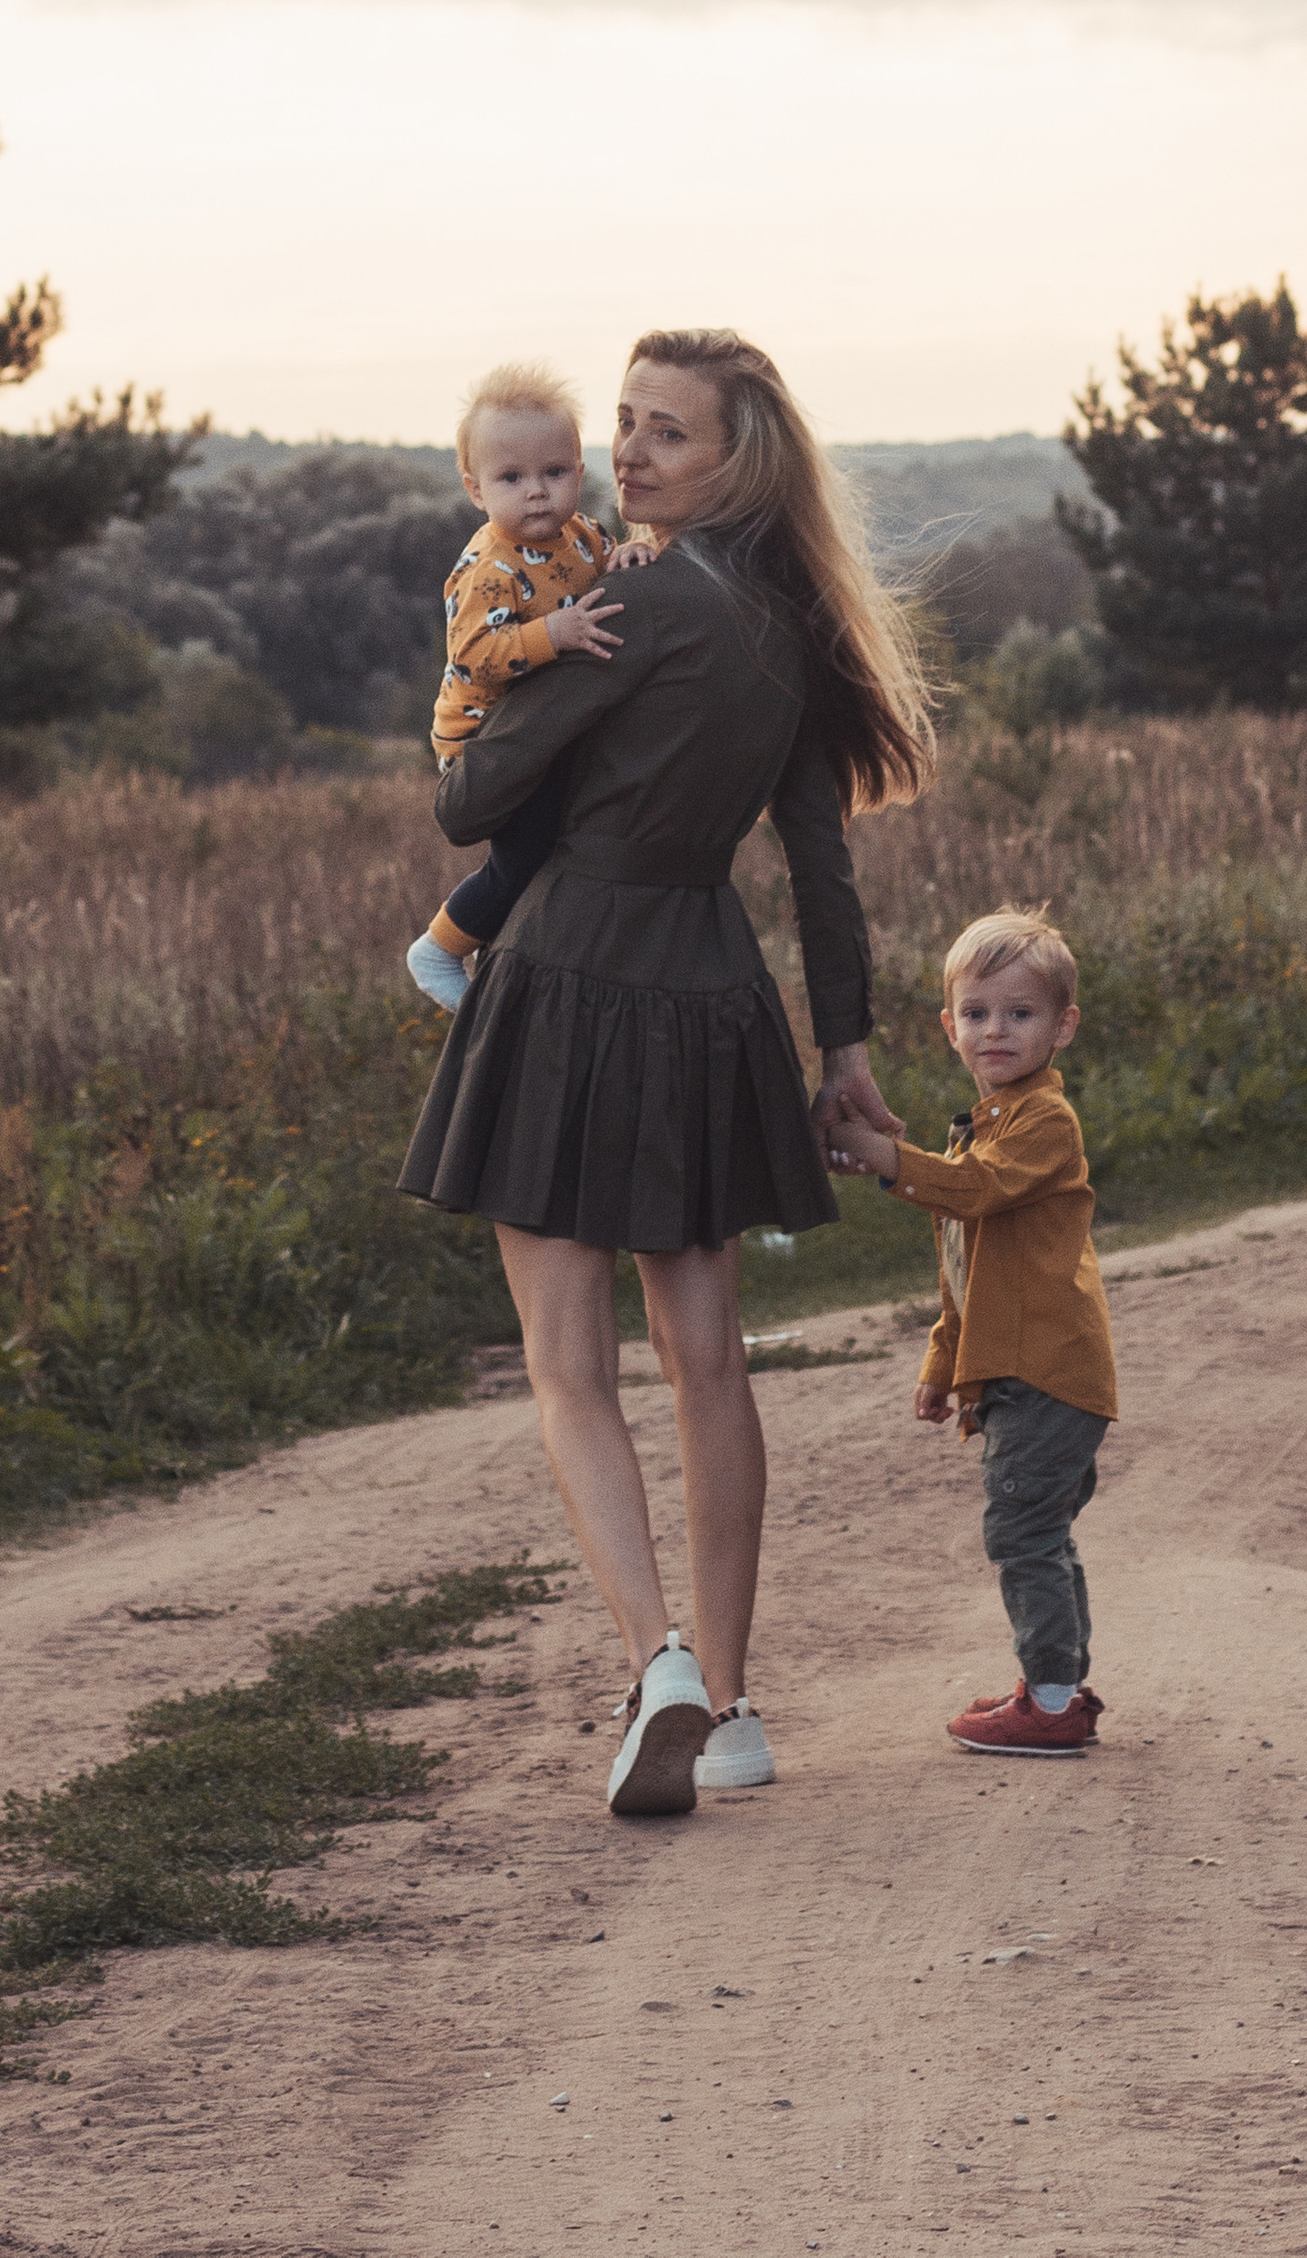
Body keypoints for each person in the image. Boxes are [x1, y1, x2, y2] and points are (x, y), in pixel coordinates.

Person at [398, 327, 935, 1820]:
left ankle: (662, 1667)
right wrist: (847, 1055)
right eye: (624, 425)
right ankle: (739, 1701)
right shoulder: (798, 626)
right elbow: (820, 876)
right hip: (711, 990)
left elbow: (471, 802)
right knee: (710, 1364)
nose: (628, 455)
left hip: (568, 980)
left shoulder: (629, 599)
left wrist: (505, 680)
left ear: (735, 460)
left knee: (571, 1370)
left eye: (666, 436)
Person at [824, 907, 1119, 1756]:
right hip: (1020, 1369)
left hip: (1051, 1372)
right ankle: (1053, 1685)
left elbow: (975, 1193)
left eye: (1021, 1014)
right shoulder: (984, 1125)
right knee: (1042, 1534)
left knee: (1022, 1532)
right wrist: (941, 1364)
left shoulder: (1043, 1124)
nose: (997, 1031)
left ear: (1062, 1026)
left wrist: (878, 1157)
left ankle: (1054, 1702)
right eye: (979, 1013)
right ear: (950, 1026)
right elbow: (966, 1268)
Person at [404, 363, 654, 1014]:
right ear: (475, 489)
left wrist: (627, 554)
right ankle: (439, 945)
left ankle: (509, 953)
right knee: (524, 856)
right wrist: (554, 633)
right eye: (512, 478)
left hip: (539, 735)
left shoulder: (582, 536)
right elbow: (476, 655)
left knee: (563, 848)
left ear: (579, 468)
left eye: (554, 472)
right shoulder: (488, 569)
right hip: (484, 741)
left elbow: (603, 568)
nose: (537, 492)